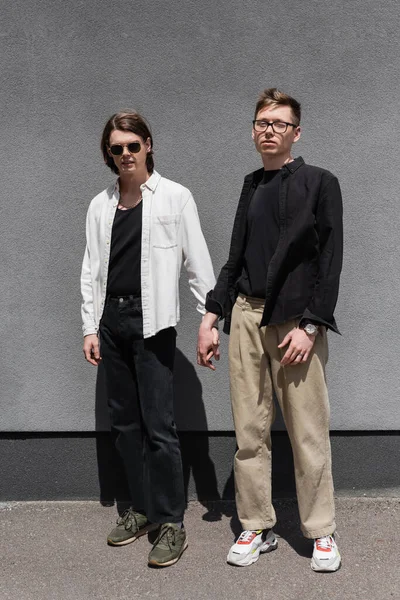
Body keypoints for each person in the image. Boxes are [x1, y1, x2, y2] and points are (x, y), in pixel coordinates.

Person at [197, 88, 343, 572]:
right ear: (253, 129)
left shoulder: (321, 182)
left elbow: (329, 261)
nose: (269, 130)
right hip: (244, 317)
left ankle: (321, 531)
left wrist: (310, 324)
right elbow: (235, 257)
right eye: (262, 122)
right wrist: (211, 315)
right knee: (249, 433)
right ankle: (257, 525)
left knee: (307, 433)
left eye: (280, 123)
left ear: (296, 132)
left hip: (294, 327)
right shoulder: (251, 185)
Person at [81, 111, 215, 567]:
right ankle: (142, 510)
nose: (124, 155)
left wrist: (207, 319)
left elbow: (198, 262)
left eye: (132, 146)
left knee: (160, 427)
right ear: (109, 154)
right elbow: (91, 272)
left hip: (153, 322)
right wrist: (89, 326)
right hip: (111, 323)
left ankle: (171, 521)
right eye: (116, 148)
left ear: (148, 145)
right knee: (124, 426)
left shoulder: (175, 198)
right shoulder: (100, 204)